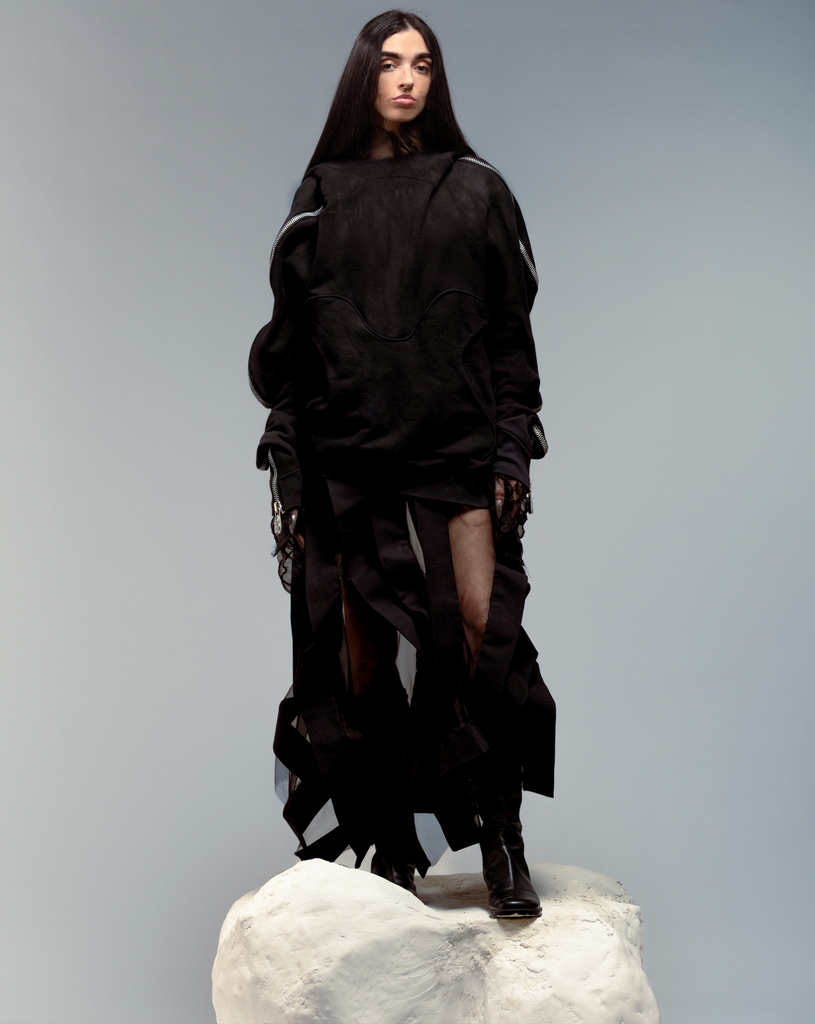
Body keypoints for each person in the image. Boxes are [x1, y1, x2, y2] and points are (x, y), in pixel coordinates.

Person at [249, 9, 555, 918]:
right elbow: (293, 356)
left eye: (423, 63)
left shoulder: (476, 189)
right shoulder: (323, 194)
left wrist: (511, 444)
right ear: (364, 76)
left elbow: (509, 336)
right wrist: (293, 476)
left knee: (481, 637)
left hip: (454, 450)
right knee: (362, 658)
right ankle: (388, 847)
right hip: (347, 458)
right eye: (389, 63)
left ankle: (501, 841)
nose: (408, 78)